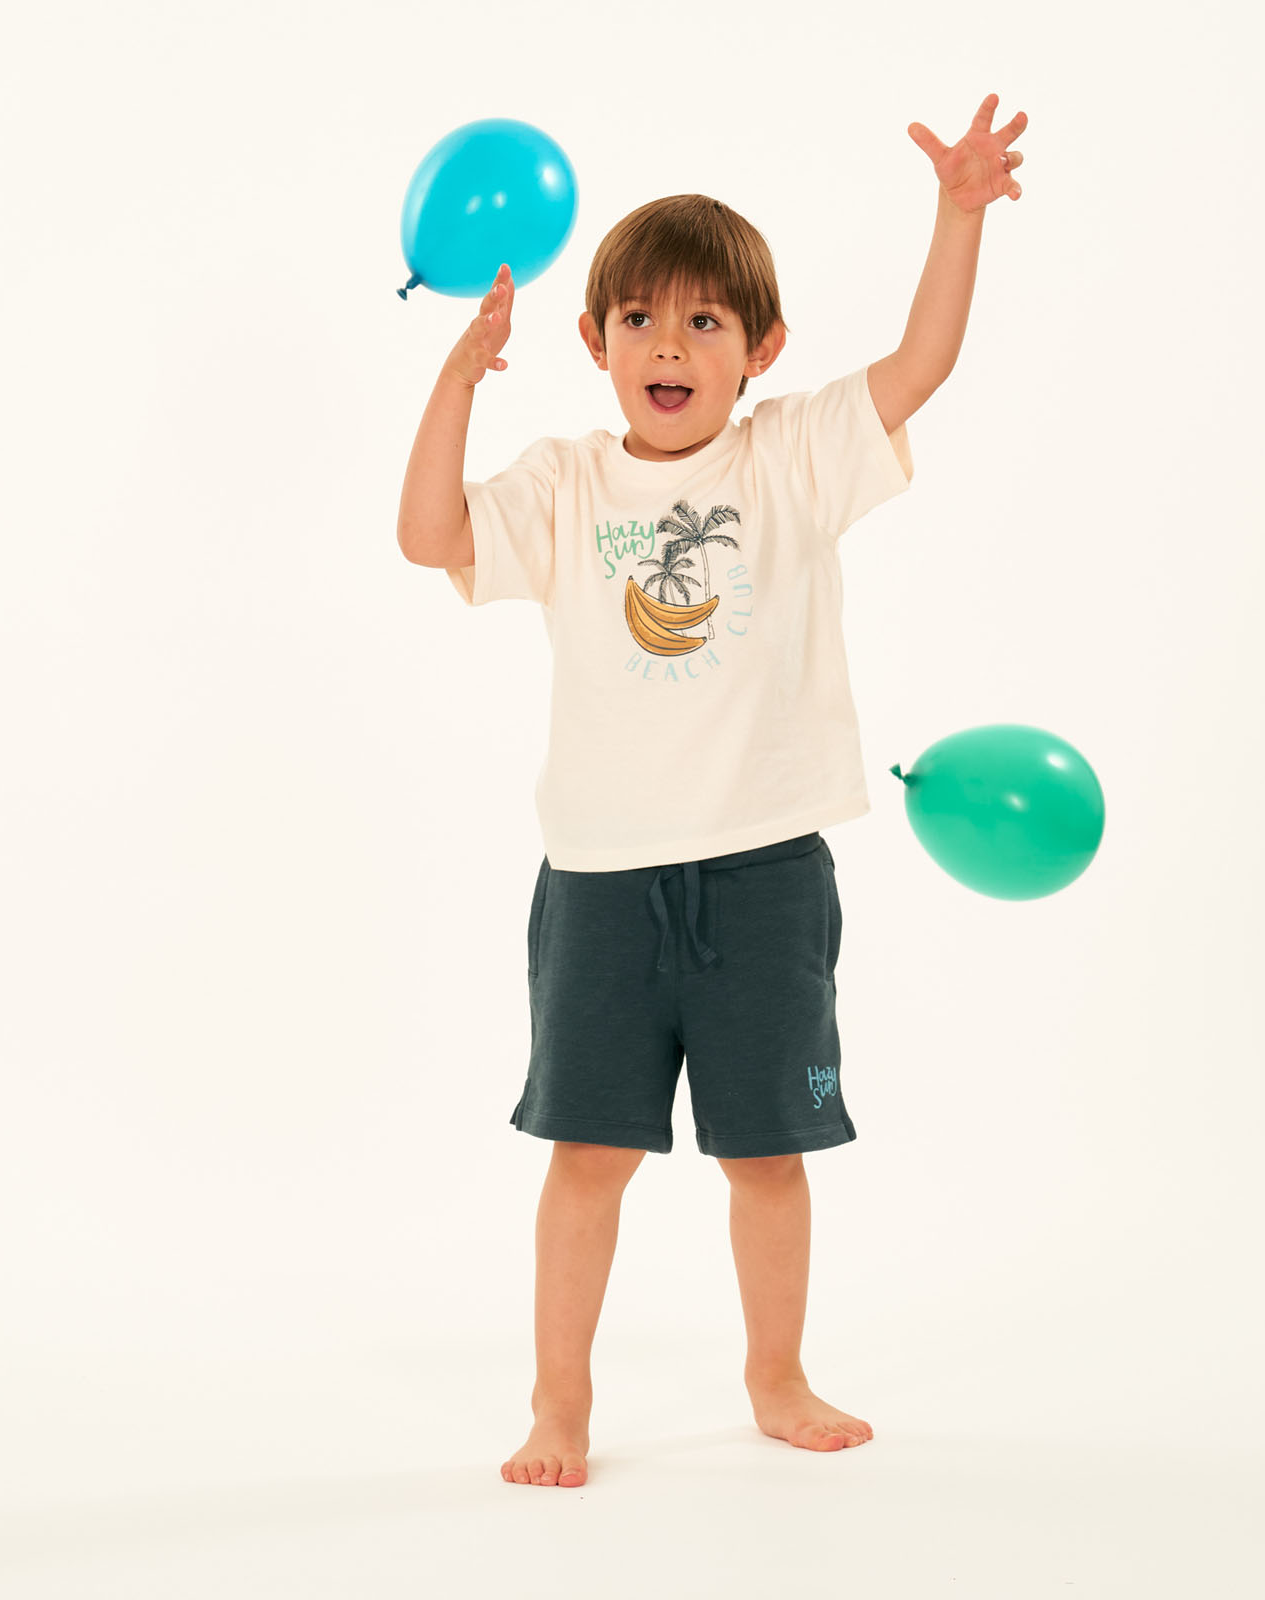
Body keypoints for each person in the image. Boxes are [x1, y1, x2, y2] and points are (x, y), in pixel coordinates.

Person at [397, 192, 933, 1490]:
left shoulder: (791, 459)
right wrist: (460, 377)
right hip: (601, 885)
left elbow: (924, 363)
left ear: (763, 348)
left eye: (706, 322)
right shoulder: (568, 482)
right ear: (595, 341)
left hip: (765, 875)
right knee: (589, 1157)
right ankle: (560, 1404)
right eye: (640, 319)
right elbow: (427, 537)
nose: (671, 346)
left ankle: (776, 1376)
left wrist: (958, 214)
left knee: (768, 1153)